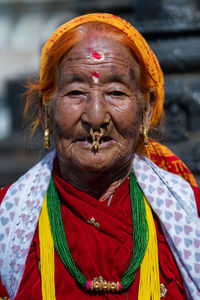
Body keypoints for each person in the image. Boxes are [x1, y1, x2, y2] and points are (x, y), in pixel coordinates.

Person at [0, 13, 200, 300]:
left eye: (116, 93)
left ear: (145, 110)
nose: (95, 117)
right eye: (76, 92)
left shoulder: (191, 219)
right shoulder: (6, 223)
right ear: (46, 112)